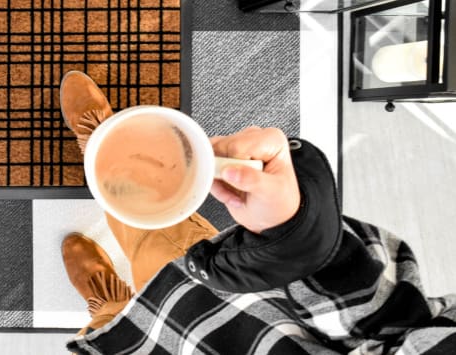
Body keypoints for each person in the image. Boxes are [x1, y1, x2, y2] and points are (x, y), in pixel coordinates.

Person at [58, 71, 456, 354]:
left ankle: (108, 306)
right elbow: (398, 325)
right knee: (163, 243)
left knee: (113, 326)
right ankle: (106, 147)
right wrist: (296, 237)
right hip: (231, 309)